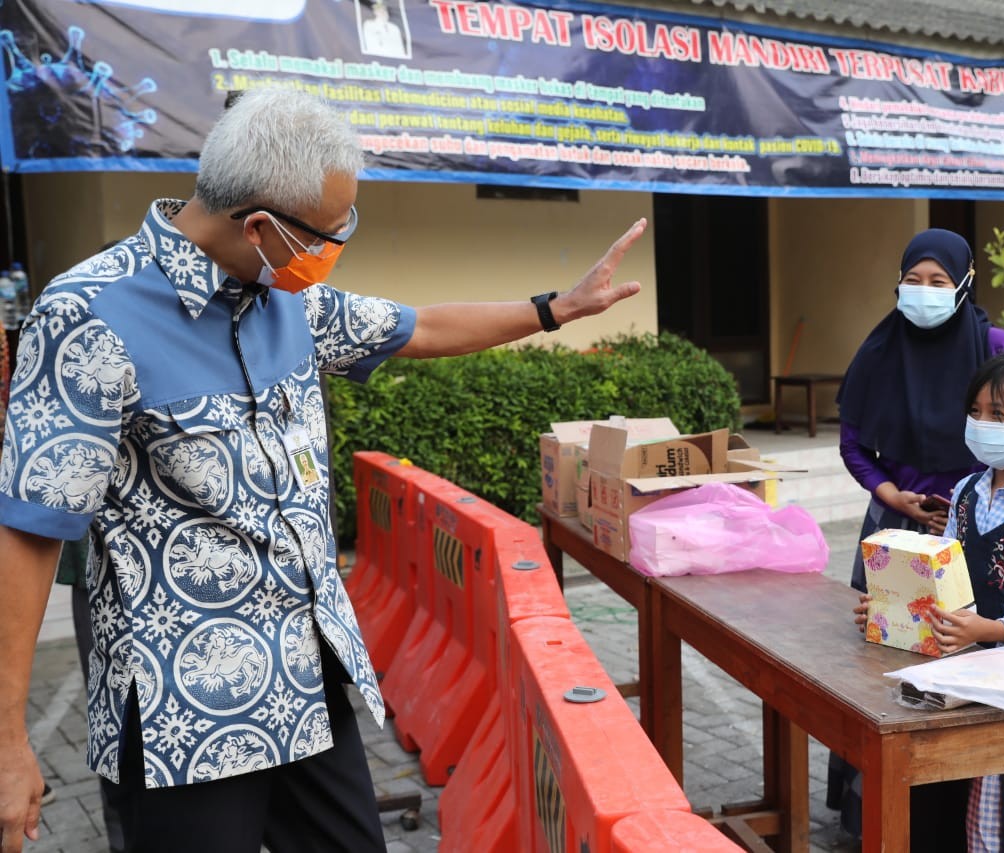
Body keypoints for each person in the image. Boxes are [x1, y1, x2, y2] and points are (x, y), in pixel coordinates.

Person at [0, 87, 645, 852]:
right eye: (332, 233)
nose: (338, 245)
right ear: (261, 226)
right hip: (185, 714)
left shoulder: (286, 298)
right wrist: (9, 739)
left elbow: (423, 325)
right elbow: (30, 528)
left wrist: (554, 309)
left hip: (307, 677)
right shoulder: (90, 315)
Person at [854, 348, 1004, 851]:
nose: (982, 423)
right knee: (940, 801)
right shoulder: (964, 492)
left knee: (998, 824)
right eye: (976, 411)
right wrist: (889, 610)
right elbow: (941, 584)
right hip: (960, 678)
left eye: (998, 415)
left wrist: (991, 630)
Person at [827, 227, 1004, 838]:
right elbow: (852, 439)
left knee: (959, 663)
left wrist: (965, 505)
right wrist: (890, 495)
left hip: (974, 532)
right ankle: (871, 812)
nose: (924, 292)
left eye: (939, 282)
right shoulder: (881, 349)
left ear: (964, 284)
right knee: (882, 665)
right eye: (914, 280)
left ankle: (955, 816)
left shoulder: (994, 346)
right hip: (894, 530)